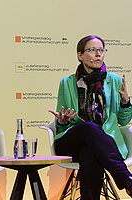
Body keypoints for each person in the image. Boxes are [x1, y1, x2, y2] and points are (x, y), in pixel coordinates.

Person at [49, 35, 132, 200]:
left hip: (103, 146)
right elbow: (62, 123)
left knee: (91, 153)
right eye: (92, 50)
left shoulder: (114, 81)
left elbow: (123, 121)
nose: (98, 54)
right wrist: (62, 121)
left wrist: (125, 102)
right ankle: (125, 178)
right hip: (72, 142)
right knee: (89, 127)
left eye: (101, 50)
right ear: (80, 55)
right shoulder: (67, 83)